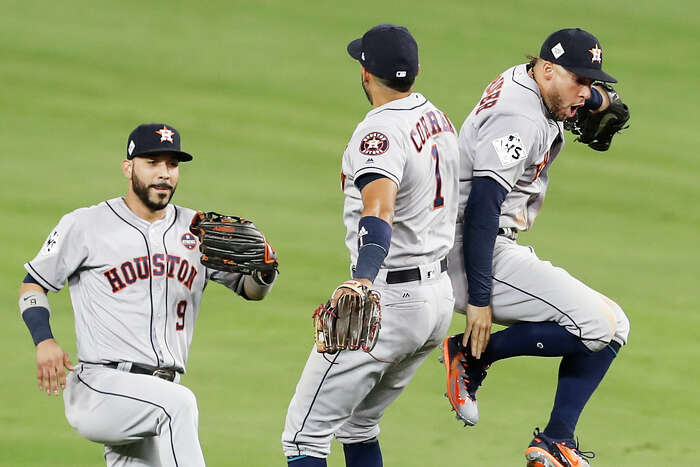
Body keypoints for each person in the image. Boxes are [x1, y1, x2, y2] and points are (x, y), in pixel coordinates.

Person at [18, 123, 277, 466]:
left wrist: (265, 270)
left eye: (172, 164)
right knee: (178, 406)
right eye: (152, 162)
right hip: (102, 385)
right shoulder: (86, 225)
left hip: (153, 395)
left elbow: (251, 290)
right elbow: (32, 284)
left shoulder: (196, 230)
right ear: (128, 167)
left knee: (169, 405)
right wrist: (44, 340)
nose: (164, 174)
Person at [442, 28, 631, 467]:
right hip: (470, 246)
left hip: (484, 241)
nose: (585, 94)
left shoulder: (537, 83)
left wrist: (594, 98)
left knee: (615, 327)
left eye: (591, 83)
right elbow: (483, 209)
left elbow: (573, 94)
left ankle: (555, 442)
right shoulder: (520, 119)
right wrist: (479, 302)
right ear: (546, 70)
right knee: (596, 328)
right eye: (578, 82)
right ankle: (472, 353)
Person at [282, 24, 459, 467]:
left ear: (366, 74)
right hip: (437, 301)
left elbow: (378, 211)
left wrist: (361, 279)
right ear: (415, 71)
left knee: (304, 436)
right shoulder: (438, 118)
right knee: (358, 425)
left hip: (389, 298)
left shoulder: (377, 132)